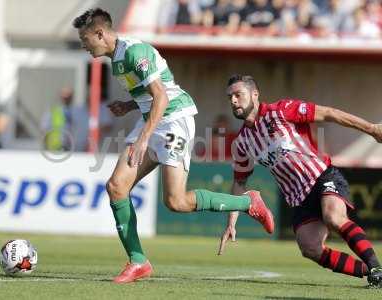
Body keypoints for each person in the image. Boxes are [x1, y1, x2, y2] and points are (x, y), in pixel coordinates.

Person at [73, 8, 274, 284]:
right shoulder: (117, 58)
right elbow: (150, 94)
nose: (84, 46)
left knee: (176, 201)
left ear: (100, 33)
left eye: (86, 39)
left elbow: (162, 97)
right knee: (116, 186)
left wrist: (143, 139)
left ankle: (248, 201)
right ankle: (138, 261)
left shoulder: (135, 52)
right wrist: (130, 105)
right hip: (152, 118)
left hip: (173, 120)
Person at [218, 74, 382, 287]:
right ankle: (372, 273)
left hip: (322, 177)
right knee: (310, 248)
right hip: (298, 198)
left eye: (238, 95)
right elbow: (239, 183)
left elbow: (329, 113)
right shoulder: (242, 143)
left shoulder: (282, 110)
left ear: (255, 94)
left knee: (333, 217)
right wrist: (231, 222)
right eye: (230, 97)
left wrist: (372, 129)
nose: (233, 101)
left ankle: (375, 265)